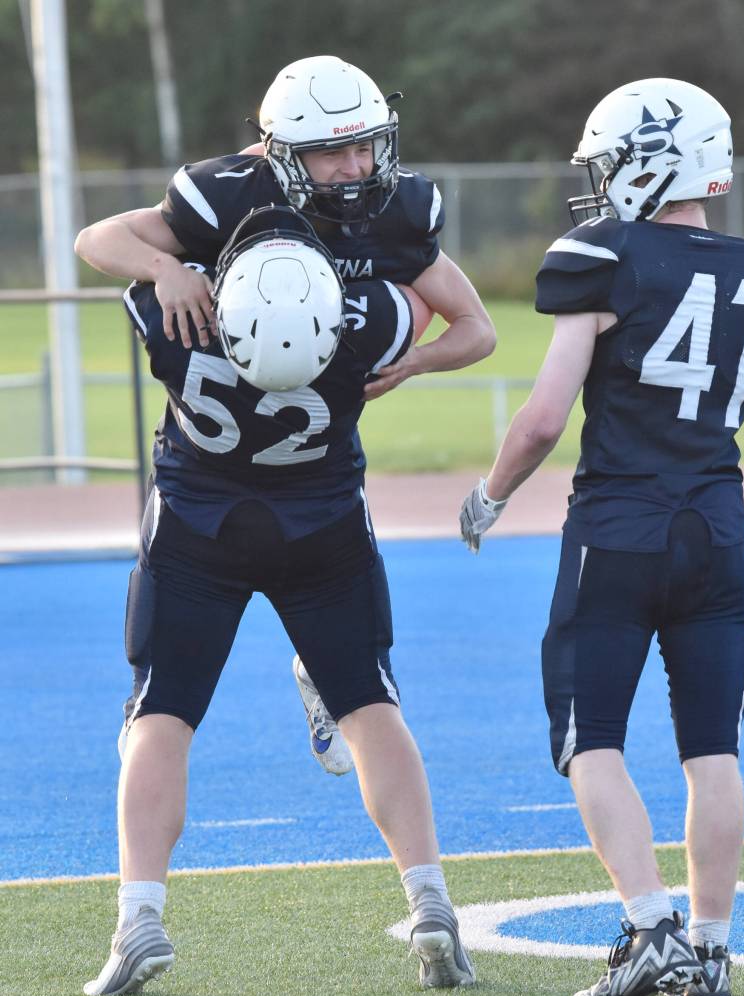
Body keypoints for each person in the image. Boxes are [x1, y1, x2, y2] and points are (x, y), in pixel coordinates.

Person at [459, 78, 744, 996]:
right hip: (715, 534)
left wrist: (488, 499)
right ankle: (711, 949)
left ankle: (648, 925)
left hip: (618, 530)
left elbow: (540, 420)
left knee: (590, 741)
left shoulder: (600, 255)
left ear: (651, 160)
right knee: (712, 750)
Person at [81, 206, 476, 996]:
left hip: (198, 528)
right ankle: (430, 904)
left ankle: (139, 919)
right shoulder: (372, 325)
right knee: (369, 708)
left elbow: (112, 249)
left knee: (159, 717)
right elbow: (430, 301)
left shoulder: (169, 321)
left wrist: (176, 264)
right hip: (321, 527)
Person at [75, 54, 496, 776]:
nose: (355, 166)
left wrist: (412, 361)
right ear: (281, 152)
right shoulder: (224, 195)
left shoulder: (394, 210)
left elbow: (477, 329)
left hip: (313, 442)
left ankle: (319, 673)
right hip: (225, 414)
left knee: (329, 598)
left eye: (365, 144)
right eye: (333, 150)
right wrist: (168, 269)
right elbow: (98, 239)